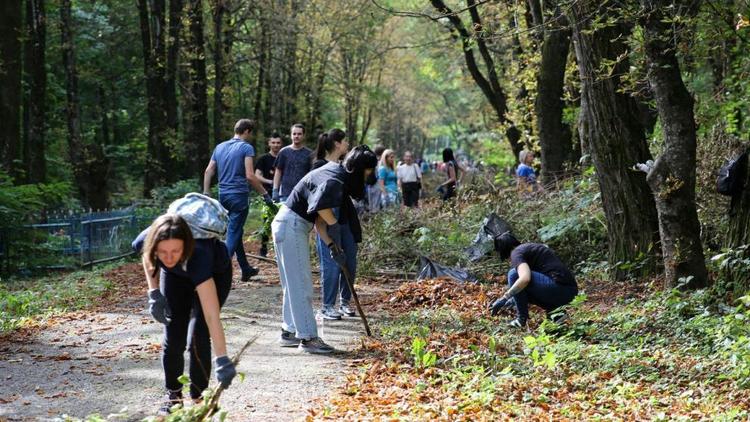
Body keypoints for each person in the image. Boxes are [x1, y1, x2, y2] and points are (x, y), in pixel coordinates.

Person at [272, 145, 378, 353]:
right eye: (368, 171)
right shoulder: (333, 179)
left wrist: (332, 244)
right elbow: (323, 211)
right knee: (301, 285)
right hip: (292, 225)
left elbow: (320, 221)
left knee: (293, 284)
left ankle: (289, 331)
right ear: (360, 168)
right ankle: (309, 338)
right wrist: (336, 226)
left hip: (289, 224)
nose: (369, 175)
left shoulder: (335, 173)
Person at [133, 214, 235, 415]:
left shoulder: (200, 255)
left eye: (175, 251)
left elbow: (211, 315)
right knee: (173, 334)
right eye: (162, 252)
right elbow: (146, 255)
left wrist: (222, 358)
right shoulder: (146, 242)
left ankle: (200, 400)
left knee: (198, 333)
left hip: (214, 273)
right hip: (175, 276)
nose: (169, 257)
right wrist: (153, 293)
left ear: (185, 246)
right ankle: (174, 397)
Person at [203, 119, 273, 281]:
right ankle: (217, 272)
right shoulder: (246, 147)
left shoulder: (219, 147)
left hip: (223, 196)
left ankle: (245, 268)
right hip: (239, 196)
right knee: (233, 233)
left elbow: (208, 171)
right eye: (251, 132)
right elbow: (250, 175)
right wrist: (265, 195)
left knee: (236, 231)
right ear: (247, 131)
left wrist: (206, 193)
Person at [311, 129, 358, 320]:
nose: (347, 144)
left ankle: (344, 302)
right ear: (337, 144)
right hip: (328, 220)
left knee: (351, 262)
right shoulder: (320, 166)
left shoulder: (342, 166)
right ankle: (327, 306)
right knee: (331, 264)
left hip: (346, 219)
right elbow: (319, 201)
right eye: (344, 141)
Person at [489, 232, 578, 328]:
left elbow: (525, 279)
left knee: (513, 274)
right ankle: (558, 315)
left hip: (559, 287)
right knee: (522, 286)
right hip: (569, 291)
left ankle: (521, 319)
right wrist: (512, 300)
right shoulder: (528, 248)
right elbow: (532, 285)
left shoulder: (516, 253)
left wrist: (504, 298)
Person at [254, 133, 283, 257]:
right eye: (273, 142)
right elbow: (256, 176)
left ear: (281, 144)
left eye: (278, 143)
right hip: (267, 193)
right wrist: (270, 181)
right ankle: (264, 248)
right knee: (267, 221)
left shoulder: (284, 156)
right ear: (269, 143)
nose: (276, 145)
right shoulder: (263, 159)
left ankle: (280, 249)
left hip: (284, 194)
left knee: (282, 221)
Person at [272, 124, 312, 202]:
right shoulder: (284, 152)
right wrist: (275, 189)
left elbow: (311, 174)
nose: (296, 136)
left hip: (303, 194)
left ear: (303, 135)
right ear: (291, 135)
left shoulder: (309, 154)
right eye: (294, 134)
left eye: (299, 134)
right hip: (285, 193)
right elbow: (278, 171)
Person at [366, 144, 386, 213]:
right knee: (375, 207)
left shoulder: (370, 158)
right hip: (376, 184)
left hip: (369, 185)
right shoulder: (380, 161)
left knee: (371, 205)